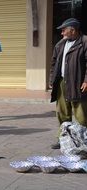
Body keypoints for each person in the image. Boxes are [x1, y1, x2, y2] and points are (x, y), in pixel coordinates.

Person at [49, 18, 87, 149]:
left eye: (64, 30)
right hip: (61, 83)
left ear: (73, 30)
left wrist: (86, 80)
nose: (62, 33)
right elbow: (54, 63)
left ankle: (83, 141)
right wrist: (52, 80)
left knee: (81, 115)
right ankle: (63, 139)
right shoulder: (60, 44)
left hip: (78, 84)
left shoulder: (84, 42)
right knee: (62, 113)